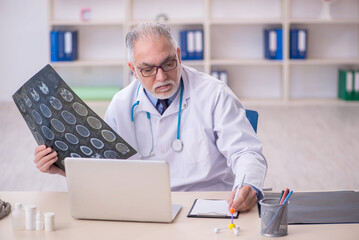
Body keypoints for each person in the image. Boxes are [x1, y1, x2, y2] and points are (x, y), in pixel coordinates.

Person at [34, 22, 267, 212]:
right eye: (147, 69)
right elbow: (105, 169)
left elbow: (245, 152)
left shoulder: (214, 94)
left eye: (168, 63)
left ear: (178, 55)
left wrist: (248, 185)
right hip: (143, 206)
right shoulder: (121, 104)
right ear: (133, 69)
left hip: (207, 205)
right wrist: (64, 168)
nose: (161, 76)